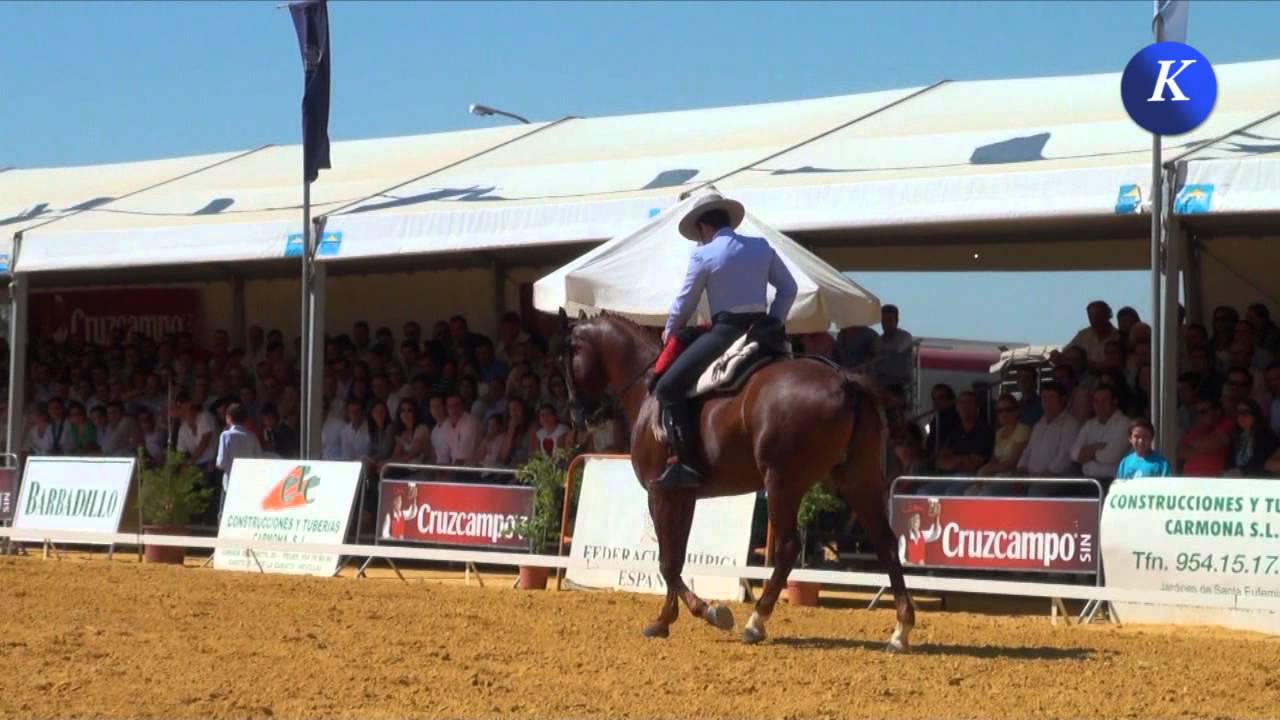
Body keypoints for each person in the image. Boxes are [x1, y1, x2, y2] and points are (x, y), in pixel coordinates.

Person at [654, 192, 797, 488]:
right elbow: (789, 288)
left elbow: (685, 303)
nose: (699, 238)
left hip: (725, 332)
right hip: (762, 330)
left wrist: (670, 332)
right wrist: (774, 320)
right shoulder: (760, 246)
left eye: (699, 233)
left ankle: (687, 463)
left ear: (705, 227)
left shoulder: (704, 254)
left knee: (668, 387)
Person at [971, 394, 1030, 494]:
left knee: (985, 493)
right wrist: (986, 471)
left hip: (1014, 476)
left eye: (1008, 410)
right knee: (969, 493)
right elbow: (994, 458)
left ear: (1017, 411)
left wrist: (987, 469)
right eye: (1000, 411)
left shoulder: (1023, 429)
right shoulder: (999, 432)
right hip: (998, 474)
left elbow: (1014, 462)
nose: (1004, 414)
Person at [1070, 386, 1130, 482]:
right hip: (1088, 482)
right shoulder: (1089, 424)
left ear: (1115, 401)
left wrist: (1086, 454)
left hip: (1113, 483)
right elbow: (1073, 454)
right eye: (1096, 401)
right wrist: (1095, 447)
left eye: (1104, 400)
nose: (1100, 405)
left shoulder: (1125, 424)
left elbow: (1110, 456)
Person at [215, 403, 262, 519]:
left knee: (224, 516)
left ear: (228, 418)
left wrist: (218, 465)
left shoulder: (226, 435)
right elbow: (259, 459)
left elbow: (221, 462)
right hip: (247, 484)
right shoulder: (252, 437)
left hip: (230, 482)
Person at [1178, 400, 1232, 477]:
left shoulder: (1226, 424)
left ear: (1217, 412)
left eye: (1203, 412)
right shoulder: (1194, 431)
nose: (1199, 416)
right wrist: (1204, 447)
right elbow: (1181, 452)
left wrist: (1193, 446)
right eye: (1196, 413)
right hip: (1189, 481)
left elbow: (1212, 444)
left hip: (1214, 481)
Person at [1225, 399, 1277, 478]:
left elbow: (1261, 463)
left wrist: (1240, 471)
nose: (1241, 416)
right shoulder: (1236, 437)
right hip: (1236, 481)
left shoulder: (1267, 436)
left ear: (1255, 414)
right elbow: (1229, 462)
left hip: (1259, 479)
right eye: (1238, 413)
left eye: (1245, 412)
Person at [871, 305, 915, 393]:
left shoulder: (905, 336)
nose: (886, 324)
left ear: (897, 320)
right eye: (884, 321)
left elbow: (898, 348)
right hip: (881, 384)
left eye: (889, 320)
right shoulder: (878, 341)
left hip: (900, 385)